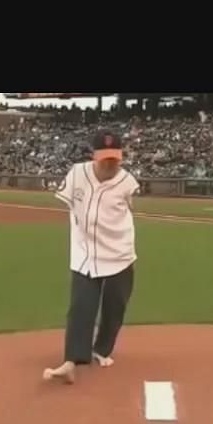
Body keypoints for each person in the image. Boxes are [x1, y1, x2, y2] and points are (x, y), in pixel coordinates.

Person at [43, 131, 140, 385]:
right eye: (105, 158)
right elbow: (67, 202)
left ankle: (102, 349)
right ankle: (72, 360)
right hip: (85, 252)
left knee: (114, 307)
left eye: (115, 159)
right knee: (81, 307)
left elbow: (130, 209)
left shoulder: (127, 182)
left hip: (119, 252)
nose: (110, 163)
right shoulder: (77, 174)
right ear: (94, 156)